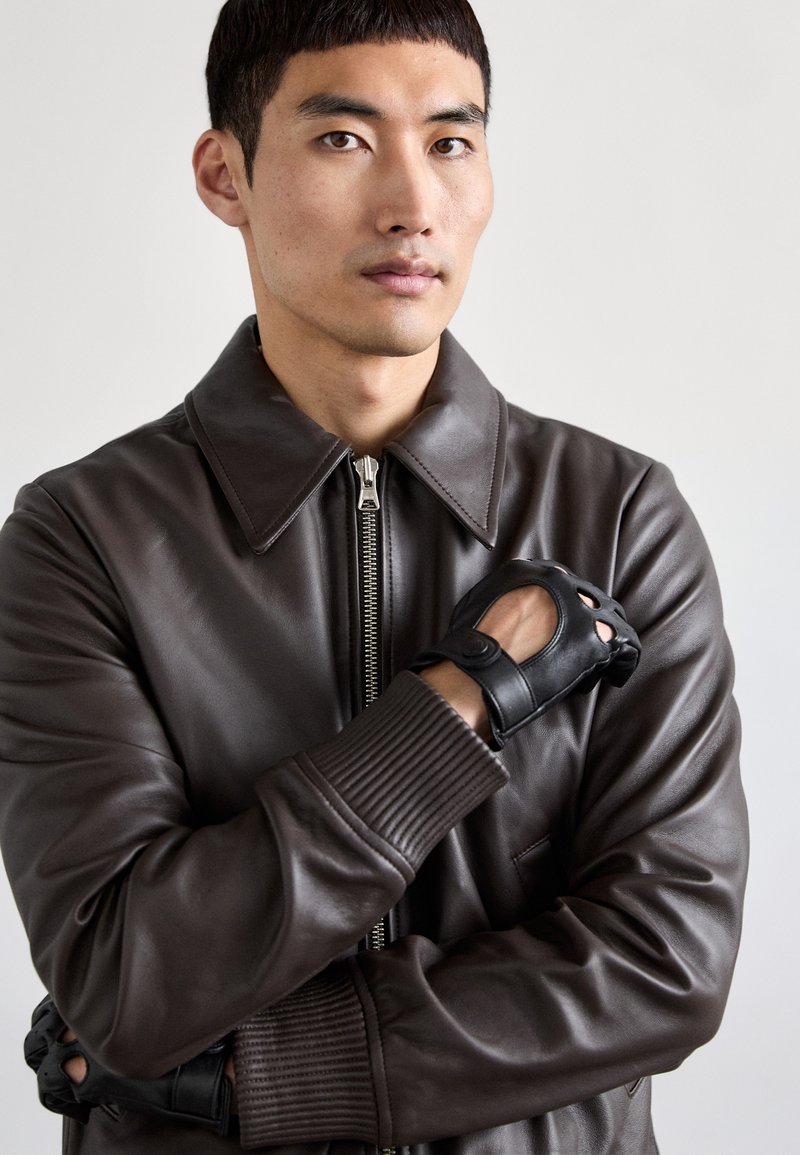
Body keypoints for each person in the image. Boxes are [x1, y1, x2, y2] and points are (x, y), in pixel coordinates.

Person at [0, 1, 747, 1153]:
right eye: (343, 138)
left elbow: (664, 967)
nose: (411, 203)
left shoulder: (618, 520)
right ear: (224, 175)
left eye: (450, 141)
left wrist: (248, 1082)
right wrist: (461, 702)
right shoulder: (81, 538)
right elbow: (128, 978)